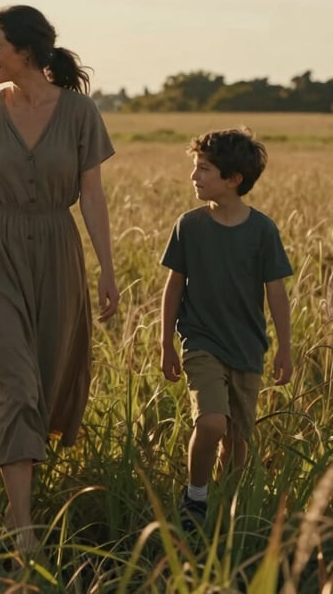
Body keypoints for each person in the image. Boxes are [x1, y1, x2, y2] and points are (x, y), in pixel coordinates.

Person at [0, 4, 119, 554]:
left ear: (28, 50)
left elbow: (91, 194)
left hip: (57, 251)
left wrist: (108, 268)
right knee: (12, 378)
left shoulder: (80, 113)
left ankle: (27, 494)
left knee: (42, 376)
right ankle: (23, 530)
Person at [160, 128, 293, 531]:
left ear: (234, 179)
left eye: (204, 169)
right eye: (194, 168)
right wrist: (165, 342)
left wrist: (284, 349)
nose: (195, 176)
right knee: (212, 422)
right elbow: (174, 286)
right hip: (201, 340)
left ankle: (227, 512)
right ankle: (196, 498)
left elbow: (276, 294)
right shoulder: (190, 226)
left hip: (248, 347)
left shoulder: (263, 231)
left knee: (236, 441)